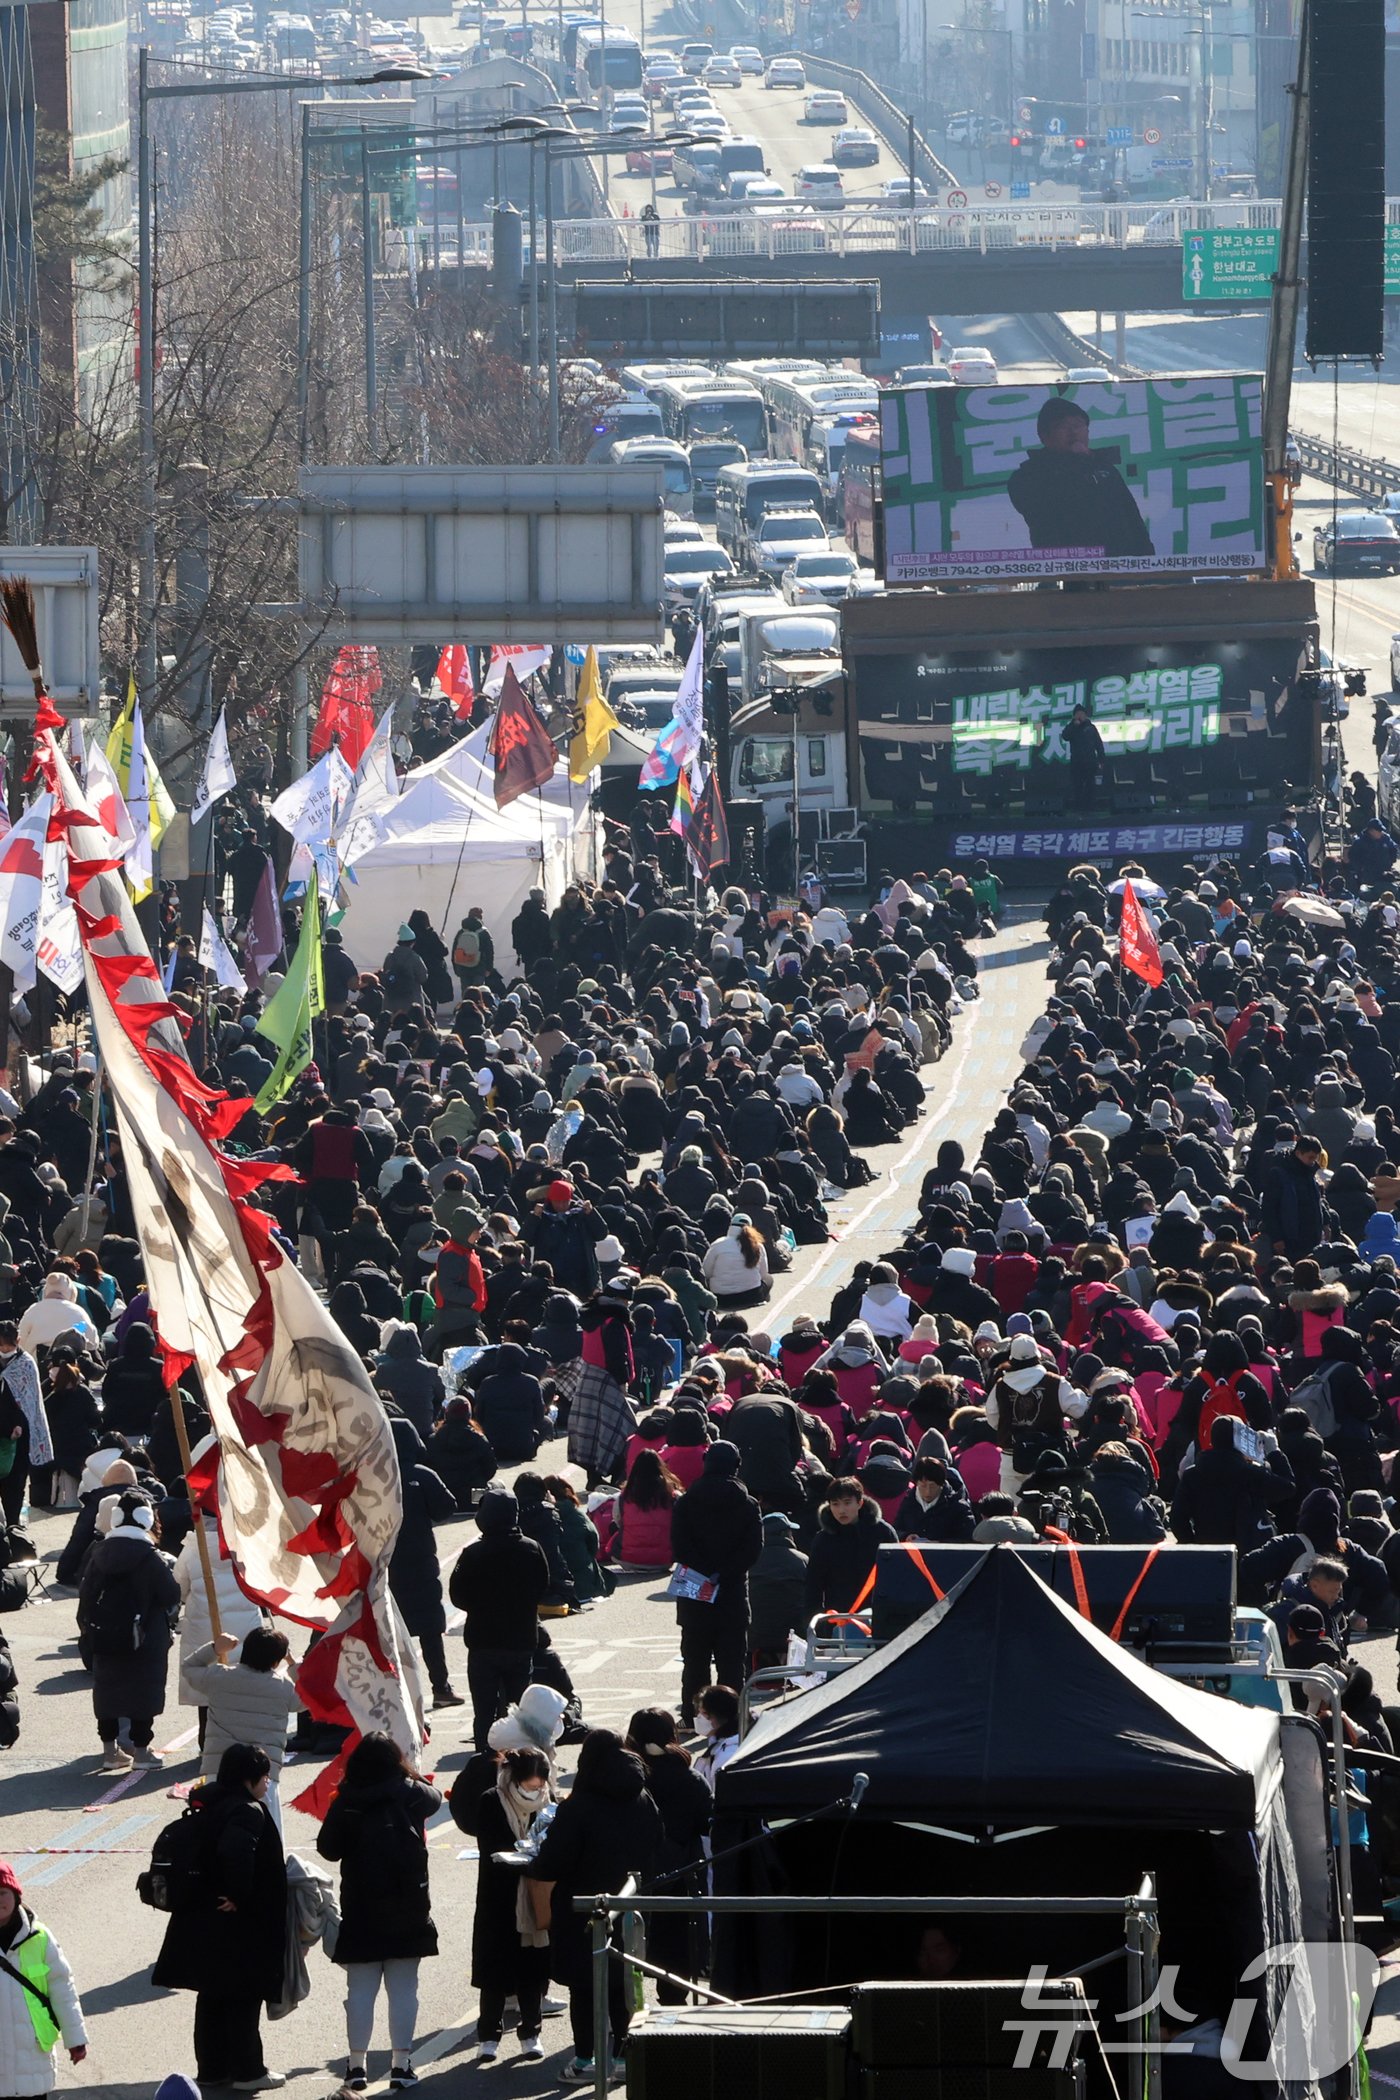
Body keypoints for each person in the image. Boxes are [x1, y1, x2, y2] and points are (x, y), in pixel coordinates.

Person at [525, 1730, 662, 2082]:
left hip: (583, 1909)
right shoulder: (642, 1796)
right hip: (629, 1903)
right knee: (624, 1984)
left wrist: (532, 1863)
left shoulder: (579, 1806)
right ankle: (622, 2058)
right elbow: (657, 1843)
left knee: (584, 1989)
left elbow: (553, 1862)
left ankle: (586, 2060)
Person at [152, 1741, 288, 2093]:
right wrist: (240, 1895)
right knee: (243, 1996)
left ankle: (212, 2069)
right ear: (249, 1779)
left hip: (200, 1917)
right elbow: (235, 1851)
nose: (267, 1784)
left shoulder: (209, 1802)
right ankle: (248, 2071)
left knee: (211, 1996)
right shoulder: (246, 1811)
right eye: (264, 1777)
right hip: (235, 1924)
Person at [318, 1730, 442, 2094]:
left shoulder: (348, 1799)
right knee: (404, 1989)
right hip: (408, 1905)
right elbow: (434, 1799)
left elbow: (328, 1848)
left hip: (361, 1905)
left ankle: (356, 2066)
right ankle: (401, 2064)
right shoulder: (407, 1792)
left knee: (360, 1990)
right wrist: (409, 1775)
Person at [77, 1488, 181, 1771]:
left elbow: (85, 1592)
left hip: (104, 1632)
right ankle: (142, 1751)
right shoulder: (150, 1557)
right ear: (146, 1519)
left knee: (107, 1689)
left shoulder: (98, 1552)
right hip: (145, 1636)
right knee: (143, 1691)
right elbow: (171, 1595)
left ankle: (110, 1752)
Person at [669, 1441, 763, 1728]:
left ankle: (693, 1715)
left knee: (695, 1659)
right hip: (732, 1591)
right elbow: (753, 1549)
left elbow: (678, 1545)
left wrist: (704, 1570)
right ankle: (732, 1717)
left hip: (694, 1589)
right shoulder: (747, 1504)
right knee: (731, 1661)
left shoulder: (686, 1501)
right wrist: (724, 1572)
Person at [470, 1744, 555, 2063]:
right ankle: (488, 2037)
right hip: (499, 1897)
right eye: (531, 1785)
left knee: (532, 1971)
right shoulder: (492, 1800)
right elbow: (490, 1849)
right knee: (494, 1973)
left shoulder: (548, 1802)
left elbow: (555, 1842)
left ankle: (531, 2034)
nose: (537, 1791)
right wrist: (522, 1856)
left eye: (540, 1785)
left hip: (535, 1895)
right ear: (515, 1778)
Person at [448, 1487, 550, 1751]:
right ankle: (521, 1758)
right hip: (521, 1639)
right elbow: (543, 1587)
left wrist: (482, 1607)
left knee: (484, 1710)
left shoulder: (473, 1554)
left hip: (484, 1642)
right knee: (518, 1709)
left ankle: (485, 1756)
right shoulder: (532, 1549)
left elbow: (458, 1596)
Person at [624, 1709, 712, 2001]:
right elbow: (706, 1822)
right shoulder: (690, 1778)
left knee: (625, 1952)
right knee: (676, 1954)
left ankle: (622, 2019)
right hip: (680, 1876)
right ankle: (671, 2013)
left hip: (630, 1876)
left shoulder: (627, 1777)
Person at [1006, 396, 1153, 559]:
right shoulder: (1028, 476)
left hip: (1121, 567)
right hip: (1067, 569)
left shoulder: (1104, 468)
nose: (1073, 432)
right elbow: (1050, 515)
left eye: (1078, 425)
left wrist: (1147, 558)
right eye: (1063, 426)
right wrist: (1077, 463)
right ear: (1045, 437)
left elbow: (1131, 515)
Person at [184, 1628, 303, 1828]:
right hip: (262, 1775)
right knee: (266, 1836)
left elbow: (189, 1668)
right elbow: (310, 1694)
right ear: (276, 1660)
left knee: (215, 1833)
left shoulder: (219, 1676)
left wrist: (214, 1648)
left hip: (219, 1770)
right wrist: (293, 1665)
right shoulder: (284, 1688)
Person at [0, 1858, 87, 2096]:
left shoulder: (40, 1937)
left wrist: (75, 2038)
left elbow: (62, 1988)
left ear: (16, 1895)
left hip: (32, 2058)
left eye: (2, 1892)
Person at [805, 1476, 898, 1619]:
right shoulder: (823, 1539)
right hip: (838, 1617)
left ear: (860, 1503)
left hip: (878, 1616)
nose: (841, 1510)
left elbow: (895, 1576)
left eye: (847, 1503)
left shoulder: (883, 1533)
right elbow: (813, 1586)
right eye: (835, 1504)